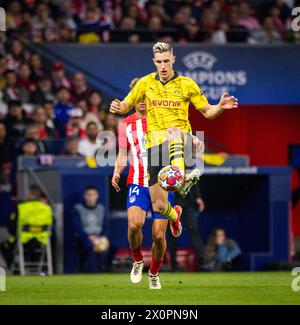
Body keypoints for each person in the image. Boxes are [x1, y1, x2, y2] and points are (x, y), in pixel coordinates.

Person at [110, 42, 238, 239]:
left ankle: (181, 176)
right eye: (159, 62)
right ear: (154, 61)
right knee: (160, 206)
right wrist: (118, 107)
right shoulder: (145, 83)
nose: (163, 66)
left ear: (173, 60)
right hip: (154, 148)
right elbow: (127, 105)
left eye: (166, 61)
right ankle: (174, 213)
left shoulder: (187, 84)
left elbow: (208, 112)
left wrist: (220, 106)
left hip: (180, 139)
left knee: (174, 131)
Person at [112, 78, 175, 289]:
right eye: (137, 97)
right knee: (134, 226)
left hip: (161, 184)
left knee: (158, 236)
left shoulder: (164, 121)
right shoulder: (125, 124)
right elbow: (122, 153)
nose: (141, 101)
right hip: (137, 182)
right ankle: (137, 260)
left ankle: (154, 274)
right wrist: (116, 172)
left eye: (145, 97)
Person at [72, 185, 109, 273]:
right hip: (84, 238)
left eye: (93, 195)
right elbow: (77, 228)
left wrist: (103, 236)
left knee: (111, 246)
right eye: (89, 195)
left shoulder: (102, 208)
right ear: (85, 196)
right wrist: (89, 237)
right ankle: (88, 272)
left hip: (99, 238)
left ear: (97, 196)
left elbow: (106, 226)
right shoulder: (77, 208)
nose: (91, 197)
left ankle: (104, 269)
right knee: (90, 247)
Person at [168, 185, 206, 272]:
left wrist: (198, 197)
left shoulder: (187, 170)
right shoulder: (167, 170)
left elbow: (193, 181)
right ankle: (174, 264)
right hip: (173, 203)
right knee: (173, 233)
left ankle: (200, 261)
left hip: (187, 202)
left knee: (194, 230)